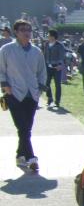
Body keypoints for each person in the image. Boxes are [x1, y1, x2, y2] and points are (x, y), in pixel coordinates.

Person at [0, 19, 46, 172]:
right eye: (22, 30)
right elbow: (1, 69)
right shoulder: (6, 50)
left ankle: (20, 155)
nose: (26, 33)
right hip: (14, 93)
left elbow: (42, 71)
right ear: (16, 32)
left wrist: (39, 88)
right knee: (23, 126)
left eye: (28, 30)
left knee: (26, 128)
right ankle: (32, 158)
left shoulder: (36, 51)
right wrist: (4, 84)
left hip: (32, 94)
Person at [43, 28, 66, 109]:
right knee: (46, 83)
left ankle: (57, 101)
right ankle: (50, 98)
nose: (47, 37)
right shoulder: (46, 44)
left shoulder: (59, 45)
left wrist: (60, 65)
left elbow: (62, 56)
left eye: (48, 35)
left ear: (53, 36)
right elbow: (44, 54)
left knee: (57, 84)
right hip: (48, 66)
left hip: (57, 67)